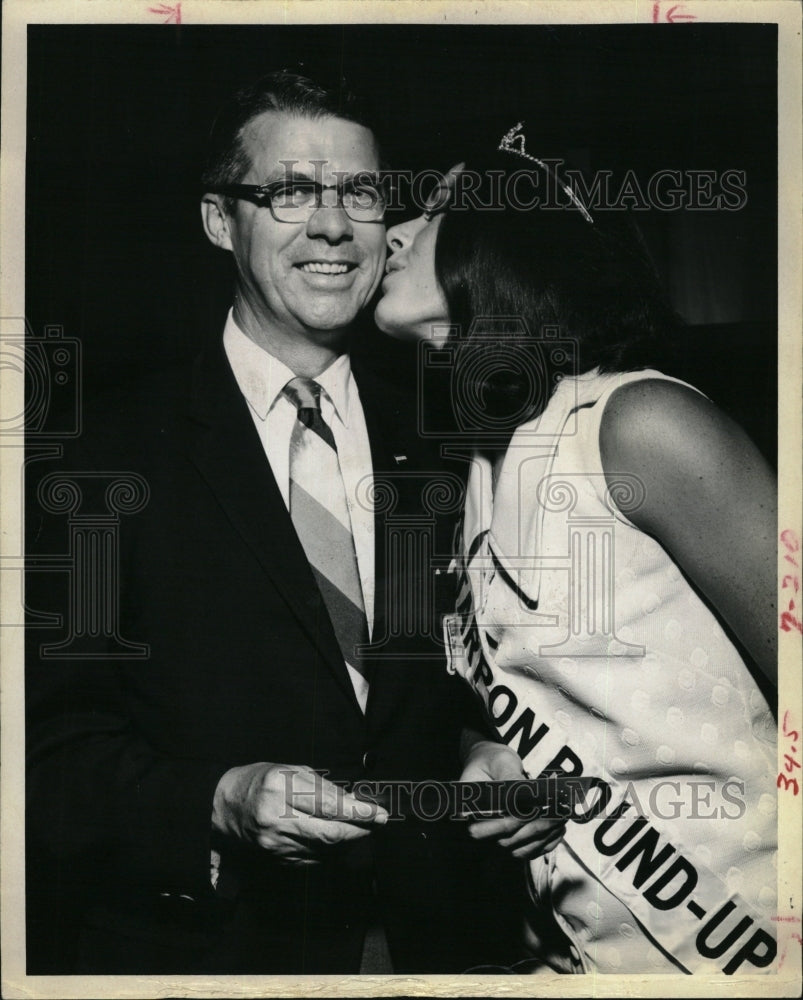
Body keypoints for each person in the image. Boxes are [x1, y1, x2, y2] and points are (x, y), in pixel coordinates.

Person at [25, 71, 502, 976]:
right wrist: (215, 799)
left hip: (439, 945)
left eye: (359, 191)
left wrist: (480, 749)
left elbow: (438, 687)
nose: (331, 225)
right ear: (218, 220)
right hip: (209, 953)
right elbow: (44, 746)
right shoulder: (102, 453)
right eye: (290, 190)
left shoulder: (441, 441)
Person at [374, 138, 779, 975]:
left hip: (749, 947)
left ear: (503, 240)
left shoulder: (637, 424)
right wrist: (485, 760)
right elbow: (529, 707)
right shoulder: (481, 469)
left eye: (434, 210)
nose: (393, 232)